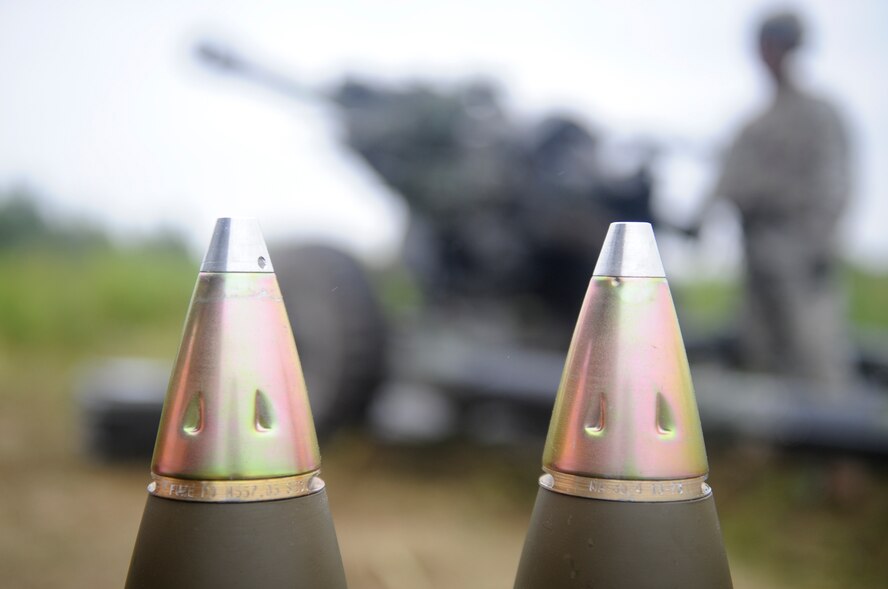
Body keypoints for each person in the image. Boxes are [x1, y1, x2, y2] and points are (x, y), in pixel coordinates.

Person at [691, 11, 853, 390]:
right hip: (759, 255)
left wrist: (818, 245)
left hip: (801, 257)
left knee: (814, 358)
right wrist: (696, 222)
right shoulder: (755, 125)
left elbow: (835, 185)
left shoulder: (818, 115)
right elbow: (726, 182)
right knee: (759, 356)